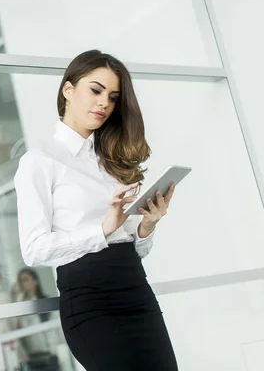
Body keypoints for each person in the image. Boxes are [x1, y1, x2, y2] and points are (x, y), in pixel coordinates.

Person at [13, 49, 178, 370]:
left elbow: (132, 246)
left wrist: (147, 226)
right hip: (91, 305)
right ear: (68, 90)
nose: (104, 102)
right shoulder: (39, 161)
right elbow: (33, 250)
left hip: (136, 291)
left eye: (113, 97)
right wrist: (102, 229)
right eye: (96, 90)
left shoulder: (111, 161)